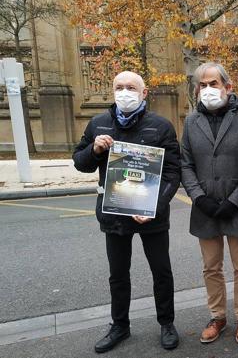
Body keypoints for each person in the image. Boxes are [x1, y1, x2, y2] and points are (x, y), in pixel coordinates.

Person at [73, 71, 181, 353]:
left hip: (151, 215)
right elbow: (80, 163)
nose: (125, 92)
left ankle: (167, 323)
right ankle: (119, 325)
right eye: (119, 87)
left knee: (161, 271)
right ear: (112, 91)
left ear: (144, 93)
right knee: (118, 274)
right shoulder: (98, 124)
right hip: (114, 214)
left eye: (131, 87)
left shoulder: (161, 126)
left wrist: (156, 207)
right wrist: (95, 150)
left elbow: (172, 172)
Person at [180, 62, 238, 345]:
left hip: (237, 207)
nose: (208, 89)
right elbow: (185, 163)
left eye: (213, 83)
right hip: (205, 209)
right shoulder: (191, 122)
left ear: (228, 87)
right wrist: (198, 196)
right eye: (202, 85)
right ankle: (217, 316)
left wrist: (235, 201)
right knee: (211, 267)